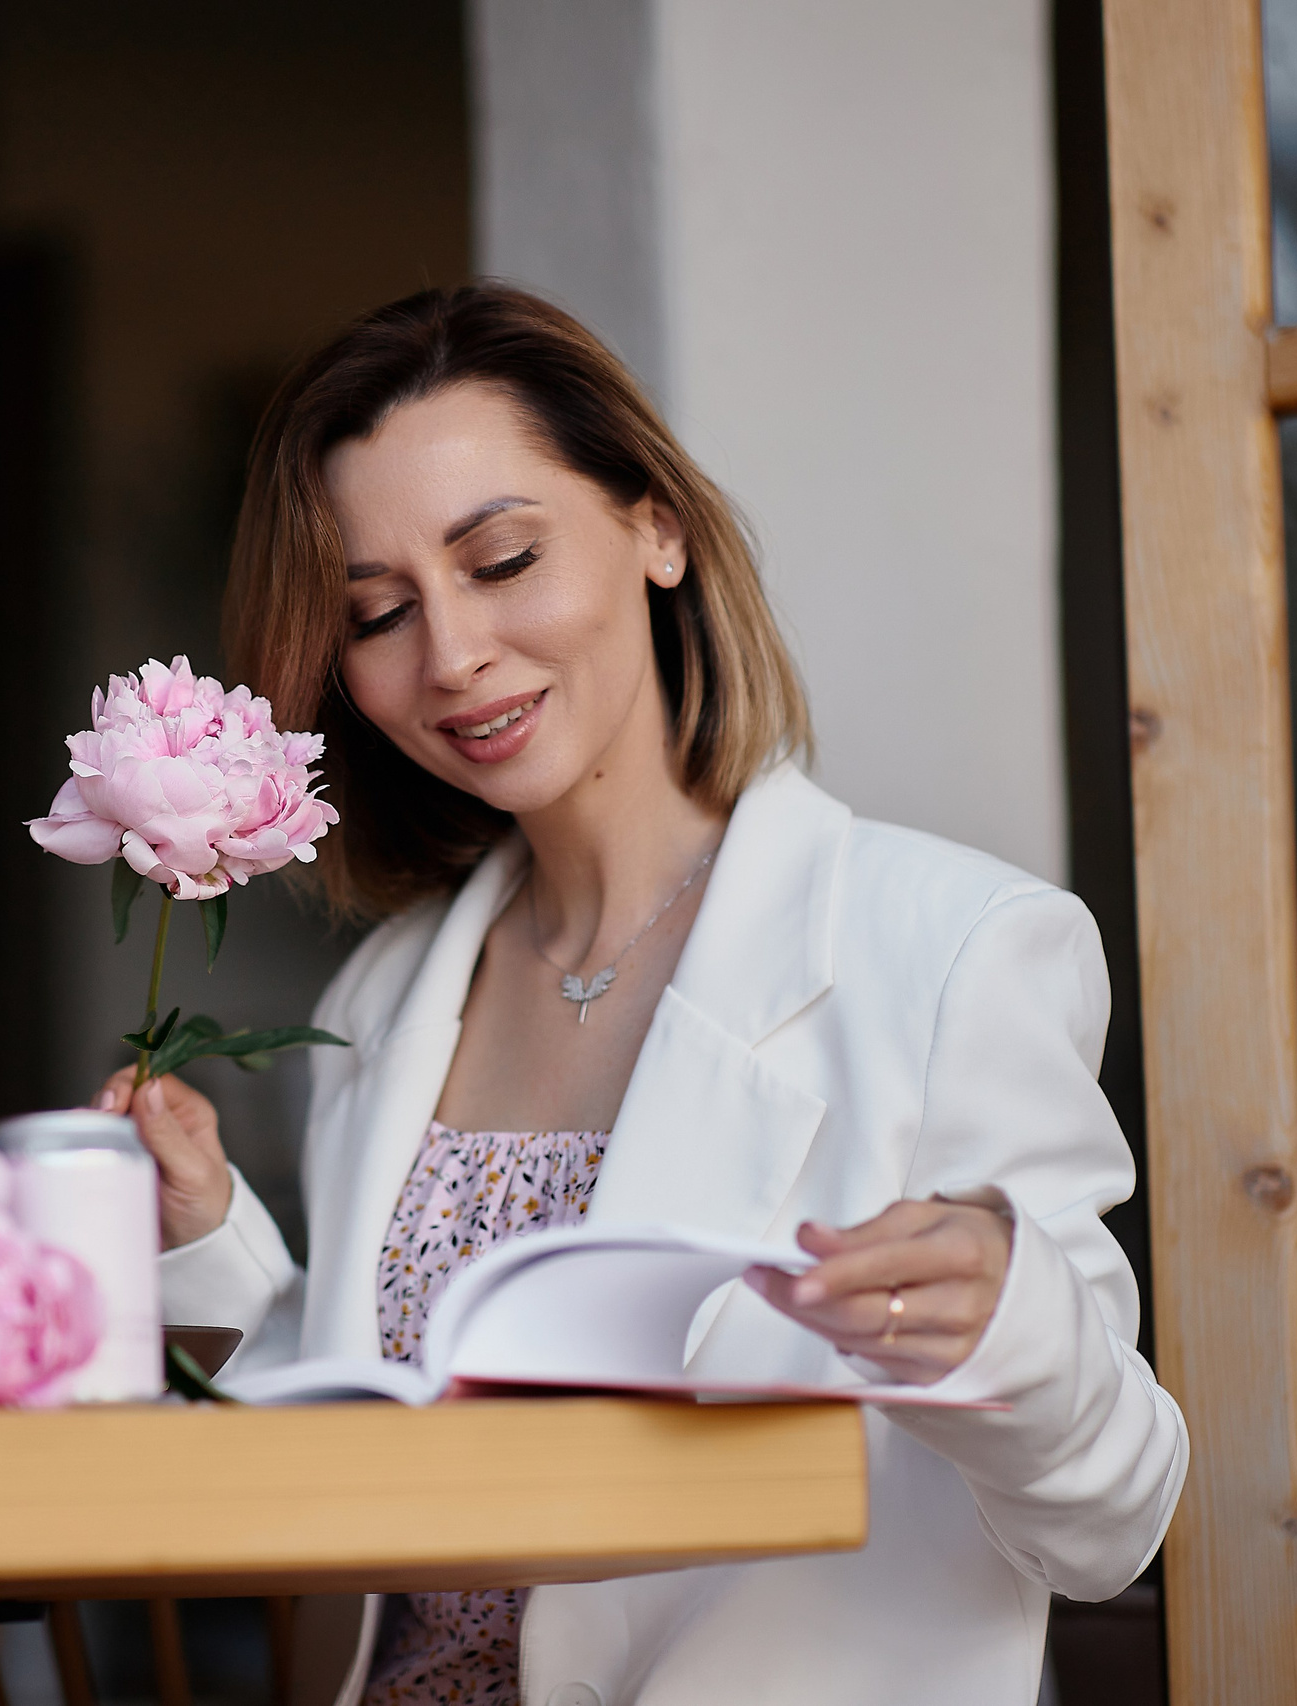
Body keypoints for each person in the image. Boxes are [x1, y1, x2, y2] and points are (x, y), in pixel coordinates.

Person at [93, 283, 1186, 1706]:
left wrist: (1008, 1325)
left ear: (657, 526)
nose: (452, 655)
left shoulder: (960, 948)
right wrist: (206, 1242)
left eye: (502, 558)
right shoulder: (387, 993)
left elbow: (1115, 1522)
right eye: (377, 611)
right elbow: (381, 1437)